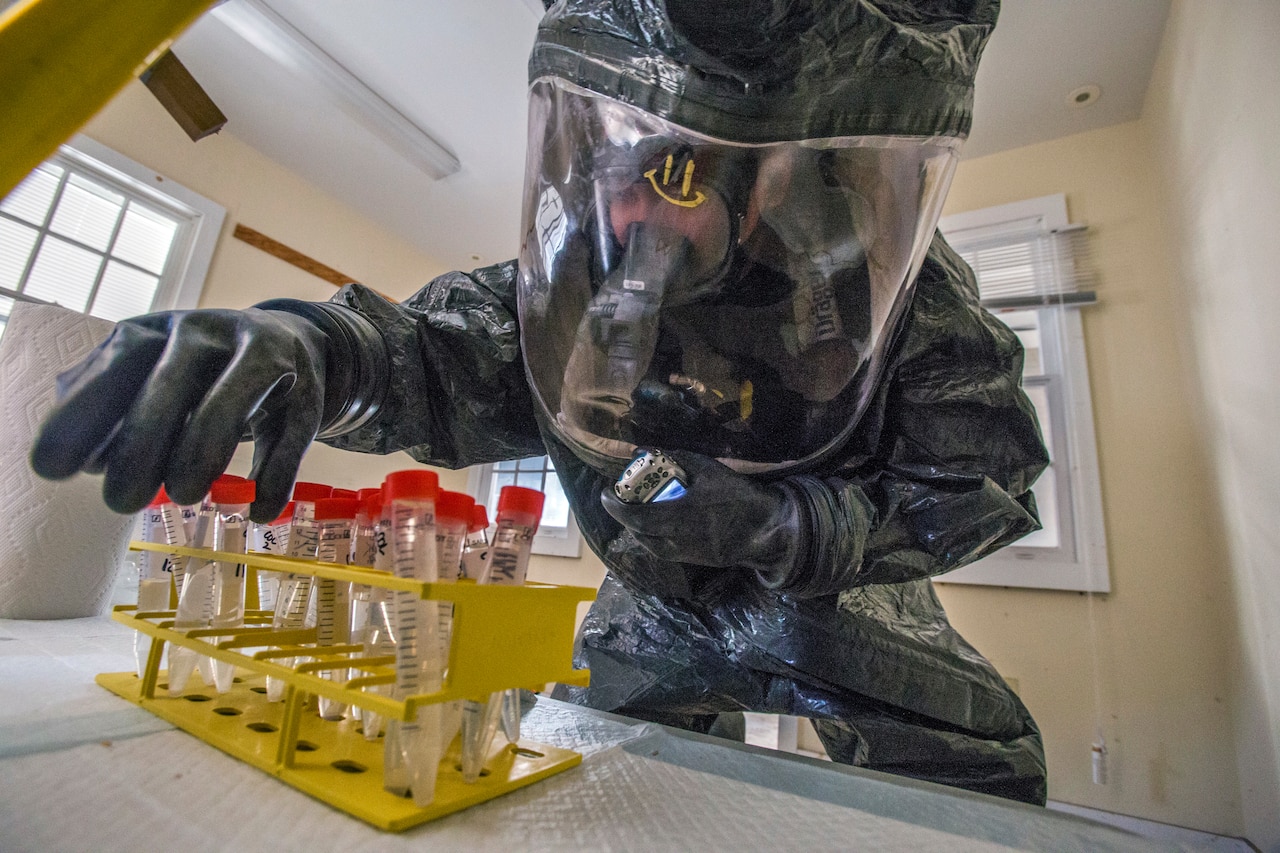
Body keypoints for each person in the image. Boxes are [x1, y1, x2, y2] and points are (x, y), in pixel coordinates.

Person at [30, 0, 1051, 803]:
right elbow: (438, 352)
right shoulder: (583, 279)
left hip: (834, 598)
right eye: (615, 176)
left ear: (766, 184)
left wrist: (788, 525)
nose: (628, 213)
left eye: (671, 180)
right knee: (605, 771)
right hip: (649, 602)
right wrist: (315, 347)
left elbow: (980, 472)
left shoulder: (886, 289)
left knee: (976, 769)